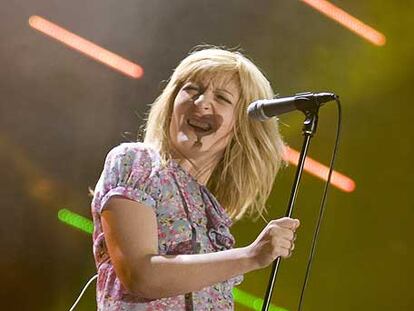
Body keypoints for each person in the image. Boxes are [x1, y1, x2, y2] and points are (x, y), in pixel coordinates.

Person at [91, 46, 300, 310]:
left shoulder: (212, 211)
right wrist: (250, 255)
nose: (201, 102)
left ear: (241, 126)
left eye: (222, 98)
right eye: (192, 89)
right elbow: (140, 275)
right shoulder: (137, 162)